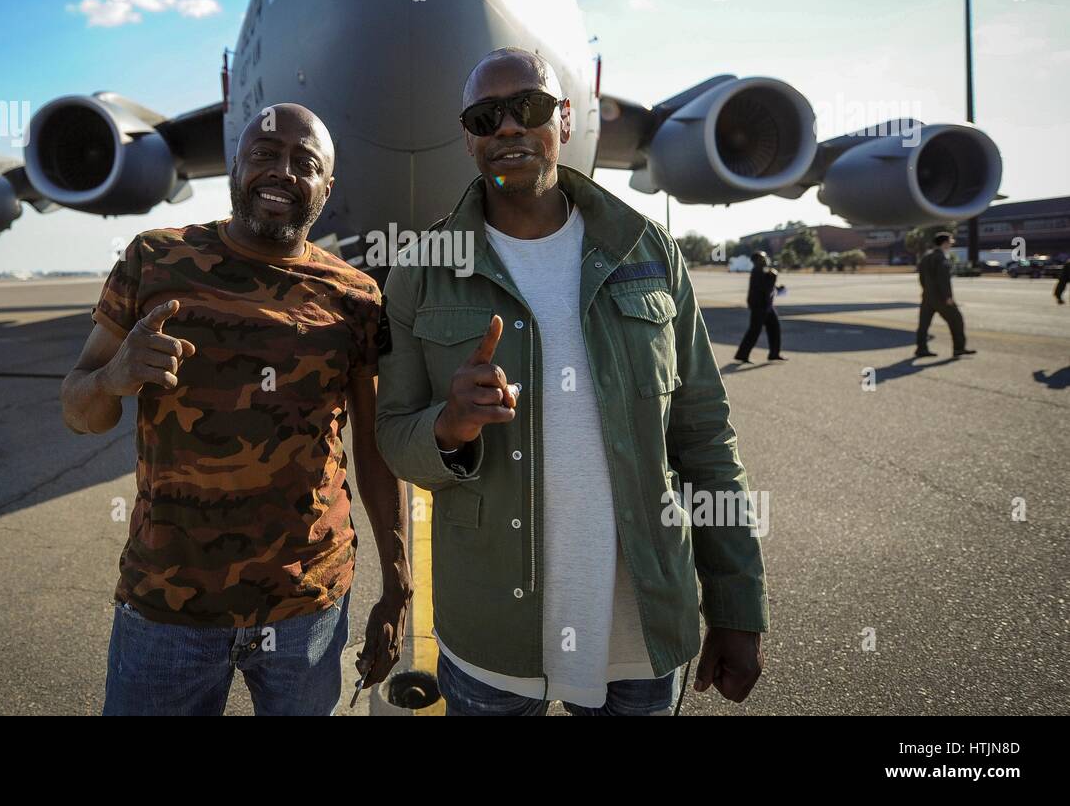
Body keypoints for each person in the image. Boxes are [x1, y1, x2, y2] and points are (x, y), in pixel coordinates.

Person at [375, 47, 767, 716]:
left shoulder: (645, 250)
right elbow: (394, 436)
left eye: (526, 108)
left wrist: (737, 604)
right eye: (485, 116)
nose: (506, 129)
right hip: (492, 637)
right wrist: (449, 428)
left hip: (638, 631)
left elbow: (704, 436)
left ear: (563, 118)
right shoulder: (422, 269)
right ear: (469, 137)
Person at [60, 103, 412, 715]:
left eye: (305, 164)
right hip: (168, 607)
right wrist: (114, 377)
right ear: (236, 165)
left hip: (308, 606)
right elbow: (77, 409)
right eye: (266, 155)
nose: (282, 172)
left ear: (326, 189)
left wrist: (398, 585)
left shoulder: (356, 298)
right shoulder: (155, 260)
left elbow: (376, 449)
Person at [914, 231, 975, 357]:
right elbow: (943, 280)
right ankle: (959, 348)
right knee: (956, 319)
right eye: (950, 242)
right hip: (941, 298)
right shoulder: (941, 258)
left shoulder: (926, 257)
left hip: (927, 296)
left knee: (924, 324)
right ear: (945, 243)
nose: (950, 245)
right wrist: (948, 297)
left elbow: (921, 278)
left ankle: (921, 348)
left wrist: (927, 291)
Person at [734, 251, 785, 362]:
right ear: (756, 260)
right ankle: (742, 355)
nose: (765, 259)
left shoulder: (761, 272)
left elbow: (769, 285)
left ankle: (774, 353)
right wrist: (774, 276)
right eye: (762, 258)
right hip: (759, 307)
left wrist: (778, 286)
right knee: (754, 331)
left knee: (774, 328)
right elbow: (766, 286)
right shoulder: (757, 272)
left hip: (767, 306)